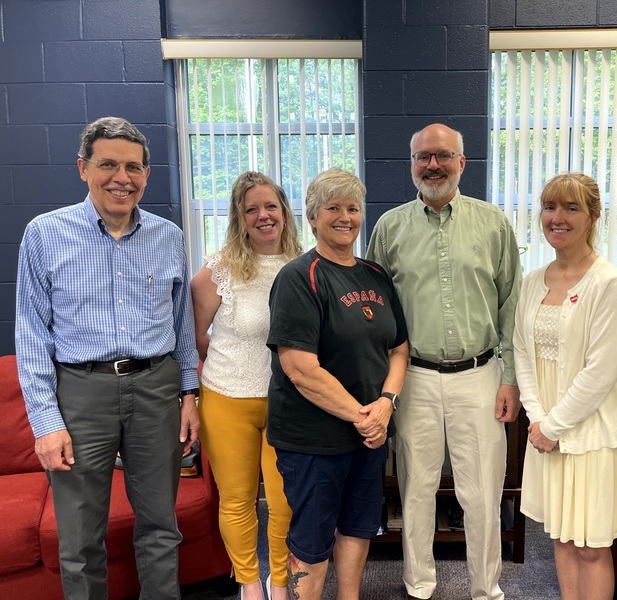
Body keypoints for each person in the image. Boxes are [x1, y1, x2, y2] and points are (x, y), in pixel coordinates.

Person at [15, 116, 200, 599]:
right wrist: (45, 422)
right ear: (83, 168)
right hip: (80, 393)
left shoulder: (168, 237)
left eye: (133, 167)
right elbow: (31, 334)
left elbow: (181, 324)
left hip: (156, 388)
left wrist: (189, 393)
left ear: (147, 175)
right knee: (79, 537)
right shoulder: (45, 234)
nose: (122, 178)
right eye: (108, 165)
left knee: (160, 525)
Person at [366, 123, 523, 600]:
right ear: (412, 164)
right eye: (423, 157)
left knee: (482, 494)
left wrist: (511, 378)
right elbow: (373, 308)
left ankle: (486, 589)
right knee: (415, 490)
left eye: (443, 155)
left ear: (462, 162)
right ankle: (418, 586)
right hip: (412, 377)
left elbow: (512, 305)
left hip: (480, 375)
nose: (433, 165)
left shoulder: (493, 223)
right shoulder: (389, 227)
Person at [266, 168, 409, 600]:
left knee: (357, 527)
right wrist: (364, 416)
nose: (345, 217)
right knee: (311, 541)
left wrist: (386, 403)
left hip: (368, 435)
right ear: (313, 217)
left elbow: (399, 349)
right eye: (333, 208)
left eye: (353, 208)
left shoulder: (376, 276)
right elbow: (300, 369)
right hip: (313, 439)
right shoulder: (299, 277)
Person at [512, 173, 617, 600]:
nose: (557, 217)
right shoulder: (534, 281)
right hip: (546, 432)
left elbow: (601, 372)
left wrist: (553, 426)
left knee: (590, 547)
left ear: (593, 217)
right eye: (550, 207)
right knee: (561, 537)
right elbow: (522, 352)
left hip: (590, 435)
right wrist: (538, 419)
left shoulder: (609, 283)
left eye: (571, 208)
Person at [190, 172, 301, 600]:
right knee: (237, 500)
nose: (263, 216)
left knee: (285, 499)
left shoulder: (305, 264)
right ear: (239, 217)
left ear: (284, 211)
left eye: (270, 206)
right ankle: (249, 583)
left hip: (287, 401)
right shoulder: (219, 269)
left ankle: (279, 580)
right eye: (251, 209)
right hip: (227, 397)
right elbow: (196, 338)